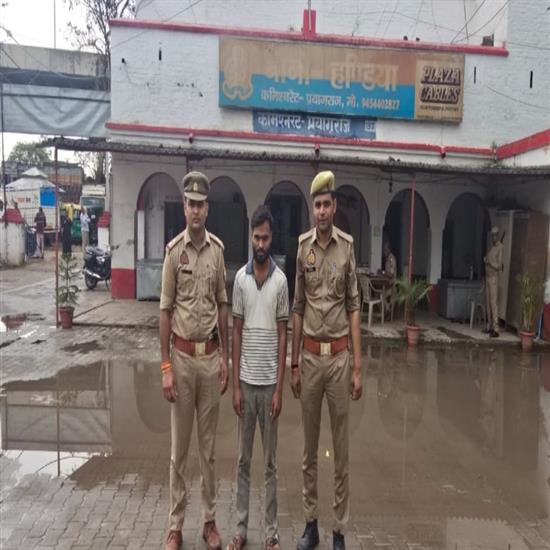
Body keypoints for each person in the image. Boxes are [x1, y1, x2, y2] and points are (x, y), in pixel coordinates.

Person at [291, 171, 363, 550]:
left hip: (337, 360)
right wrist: (293, 363)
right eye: (316, 205)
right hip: (308, 358)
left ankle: (339, 530)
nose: (321, 211)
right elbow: (297, 307)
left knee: (341, 452)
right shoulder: (303, 248)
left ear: (334, 206)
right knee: (309, 452)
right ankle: (310, 525)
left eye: (326, 204)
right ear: (312, 208)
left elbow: (354, 307)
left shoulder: (346, 248)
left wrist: (357, 367)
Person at [160, 171, 229, 550]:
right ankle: (175, 526)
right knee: (179, 451)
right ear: (184, 207)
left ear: (208, 208)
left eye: (202, 204)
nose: (196, 210)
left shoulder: (217, 251)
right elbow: (165, 311)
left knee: (209, 451)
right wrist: (165, 367)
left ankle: (209, 522)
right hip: (183, 361)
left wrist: (226, 358)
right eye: (191, 203)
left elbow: (223, 305)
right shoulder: (174, 253)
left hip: (211, 358)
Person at [228, 206, 289, 550]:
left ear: (271, 237)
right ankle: (240, 530)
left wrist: (280, 389)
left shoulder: (281, 281)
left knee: (270, 465)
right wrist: (235, 385)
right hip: (246, 386)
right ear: (251, 237)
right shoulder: (240, 279)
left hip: (270, 389)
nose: (261, 243)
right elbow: (235, 331)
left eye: (265, 238)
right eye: (256, 237)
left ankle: (271, 534)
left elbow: (283, 336)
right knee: (242, 461)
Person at [483, 226, 503, 337]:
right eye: (492, 235)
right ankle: (489, 326)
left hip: (493, 279)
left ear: (498, 235)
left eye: (495, 235)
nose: (493, 237)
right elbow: (488, 258)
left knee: (493, 304)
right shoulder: (491, 246)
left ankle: (496, 329)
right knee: (487, 303)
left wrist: (489, 263)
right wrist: (486, 259)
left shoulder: (500, 248)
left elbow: (499, 266)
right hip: (487, 277)